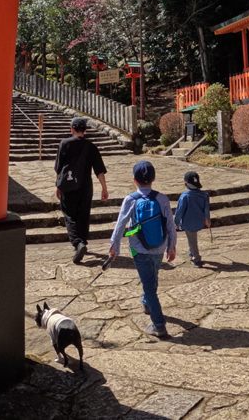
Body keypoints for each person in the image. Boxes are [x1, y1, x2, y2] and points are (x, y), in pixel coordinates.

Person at [108, 160, 177, 338]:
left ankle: (159, 325)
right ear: (153, 178)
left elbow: (121, 224)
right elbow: (170, 223)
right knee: (152, 278)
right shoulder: (162, 198)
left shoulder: (131, 199)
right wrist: (172, 246)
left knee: (149, 284)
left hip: (138, 248)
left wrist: (114, 247)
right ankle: (147, 302)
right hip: (159, 247)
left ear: (134, 180)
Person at [53, 117, 108, 263]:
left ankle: (78, 243)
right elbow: (99, 171)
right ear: (85, 130)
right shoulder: (91, 147)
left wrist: (58, 186)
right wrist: (104, 188)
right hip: (86, 187)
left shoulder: (64, 144)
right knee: (84, 215)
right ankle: (83, 241)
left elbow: (59, 168)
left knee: (70, 215)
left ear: (71, 129)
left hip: (69, 186)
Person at [174, 170, 211, 268]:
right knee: (192, 238)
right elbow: (206, 209)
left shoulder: (185, 196)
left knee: (192, 240)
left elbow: (179, 211)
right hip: (199, 221)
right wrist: (207, 220)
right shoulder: (204, 195)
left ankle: (197, 259)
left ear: (186, 184)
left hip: (188, 222)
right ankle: (191, 252)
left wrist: (176, 222)